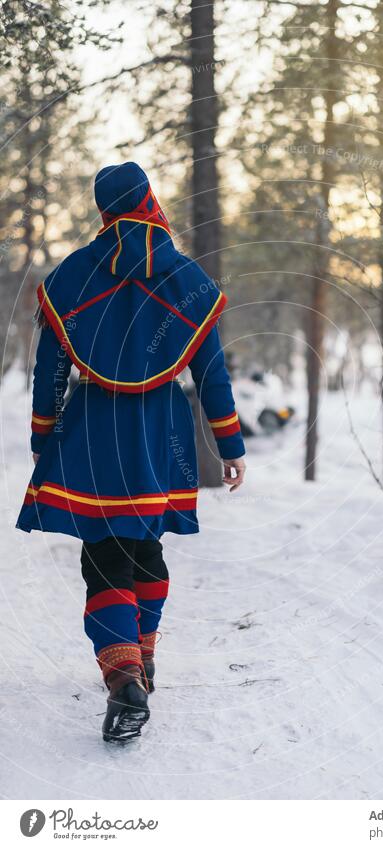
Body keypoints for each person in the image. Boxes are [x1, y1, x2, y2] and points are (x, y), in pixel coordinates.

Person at [16, 162, 246, 743]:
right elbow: (211, 374)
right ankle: (142, 661)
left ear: (104, 210)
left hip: (94, 430)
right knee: (146, 545)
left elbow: (51, 372)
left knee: (104, 555)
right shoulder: (186, 278)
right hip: (158, 430)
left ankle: (124, 678)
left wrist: (45, 436)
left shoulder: (73, 275)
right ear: (149, 201)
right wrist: (229, 445)